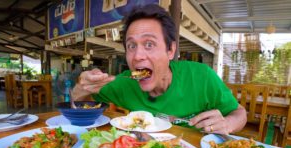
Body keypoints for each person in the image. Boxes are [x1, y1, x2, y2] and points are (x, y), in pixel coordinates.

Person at [72, 4, 247, 135]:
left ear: (170, 50)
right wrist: (81, 89)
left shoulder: (202, 76)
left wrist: (228, 124)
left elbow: (239, 113)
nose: (138, 55)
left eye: (149, 44)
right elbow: (81, 104)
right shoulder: (123, 82)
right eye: (131, 46)